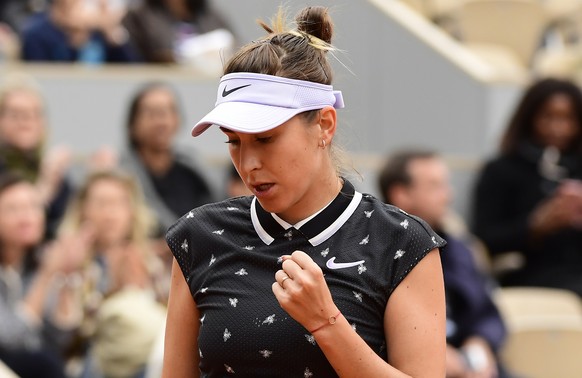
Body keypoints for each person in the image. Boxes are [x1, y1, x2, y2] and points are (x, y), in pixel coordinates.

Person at [163, 6, 447, 377]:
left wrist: (326, 323)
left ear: (324, 125)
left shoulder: (402, 242)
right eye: (234, 142)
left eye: (265, 139)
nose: (248, 164)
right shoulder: (197, 235)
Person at [378, 149, 510, 378]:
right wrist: (434, 356)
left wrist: (481, 348)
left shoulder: (458, 248)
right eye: (435, 186)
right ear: (401, 194)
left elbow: (488, 313)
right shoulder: (376, 252)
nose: (448, 196)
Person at [472, 77, 582, 296]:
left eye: (568, 118)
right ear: (529, 118)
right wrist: (534, 226)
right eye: (548, 117)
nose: (558, 128)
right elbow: (484, 238)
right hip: (532, 276)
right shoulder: (502, 170)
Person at [57, 170, 167, 378]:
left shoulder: (150, 262)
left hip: (147, 361)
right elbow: (61, 337)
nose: (110, 214)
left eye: (119, 203)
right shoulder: (67, 260)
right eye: (101, 204)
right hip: (92, 365)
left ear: (132, 211)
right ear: (82, 210)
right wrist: (69, 274)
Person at [0, 173, 85, 378]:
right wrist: (46, 277)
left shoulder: (39, 260)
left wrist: (67, 276)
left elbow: (59, 339)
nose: (26, 217)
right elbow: (12, 338)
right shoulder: (44, 268)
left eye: (33, 206)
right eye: (13, 209)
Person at [120, 82, 214, 236]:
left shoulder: (192, 167)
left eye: (168, 112)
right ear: (133, 123)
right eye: (152, 113)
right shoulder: (121, 175)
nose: (162, 122)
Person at [0, 74, 72, 240]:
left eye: (34, 114)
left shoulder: (52, 170)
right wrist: (43, 190)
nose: (26, 121)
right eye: (16, 114)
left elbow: (60, 229)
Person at [122, 0, 236, 65]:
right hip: (160, 82)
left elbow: (236, 48)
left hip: (207, 84)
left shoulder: (209, 14)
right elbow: (136, 56)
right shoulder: (139, 14)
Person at [20, 0, 135, 63]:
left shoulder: (96, 30)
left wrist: (110, 31)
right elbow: (44, 75)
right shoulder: (36, 33)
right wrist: (75, 43)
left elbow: (130, 69)